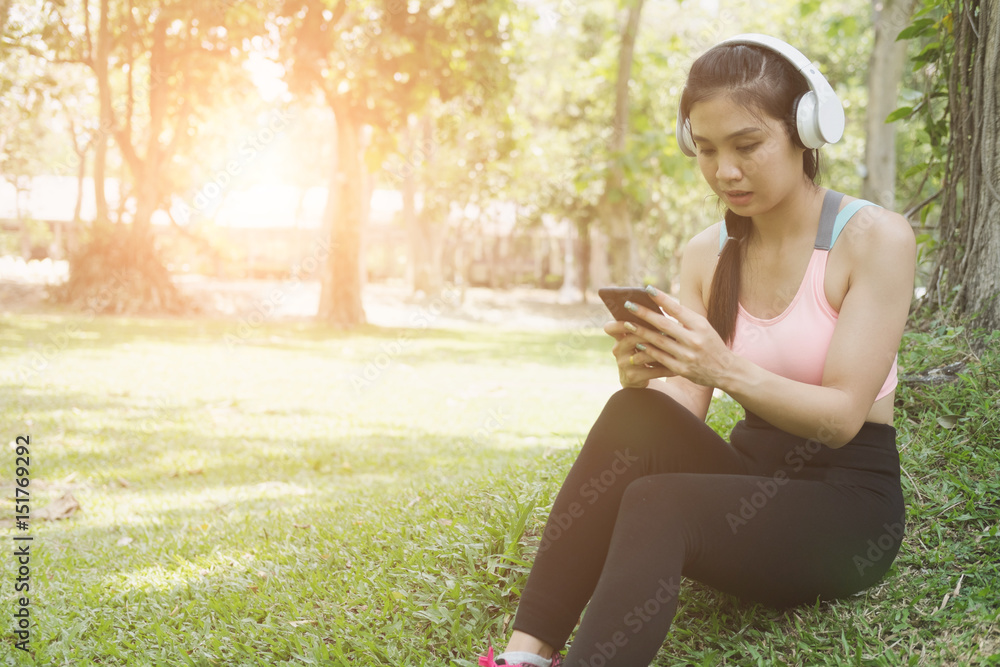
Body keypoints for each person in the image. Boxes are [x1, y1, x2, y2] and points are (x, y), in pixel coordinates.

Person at [475, 34, 916, 667]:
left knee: (660, 503)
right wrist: (650, 375)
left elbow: (844, 417)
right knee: (634, 414)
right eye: (705, 150)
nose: (724, 172)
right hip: (750, 487)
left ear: (806, 131)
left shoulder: (873, 240)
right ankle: (523, 657)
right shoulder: (707, 253)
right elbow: (685, 406)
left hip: (846, 510)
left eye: (747, 145)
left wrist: (723, 366)